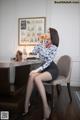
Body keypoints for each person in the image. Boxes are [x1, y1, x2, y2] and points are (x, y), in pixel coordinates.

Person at [24, 28, 59, 120]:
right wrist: (40, 42)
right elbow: (34, 51)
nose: (46, 33)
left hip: (52, 69)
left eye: (48, 32)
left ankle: (46, 107)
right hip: (44, 68)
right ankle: (26, 103)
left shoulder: (54, 47)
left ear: (52, 34)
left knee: (37, 78)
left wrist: (36, 71)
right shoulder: (44, 44)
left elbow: (47, 62)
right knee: (31, 76)